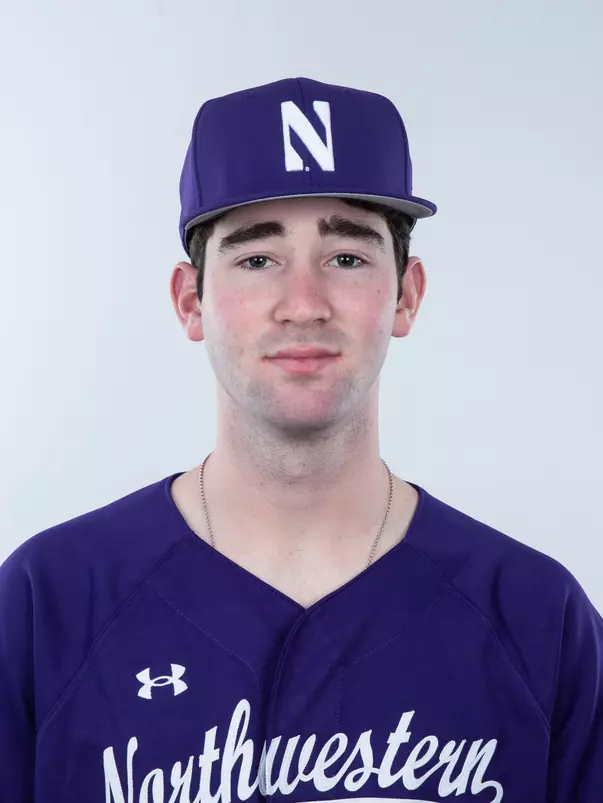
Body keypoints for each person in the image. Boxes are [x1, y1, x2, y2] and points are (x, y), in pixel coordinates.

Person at [1, 76, 601, 803]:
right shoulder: (49, 603)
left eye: (346, 257)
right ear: (190, 301)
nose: (304, 304)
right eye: (256, 259)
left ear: (406, 294)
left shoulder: (536, 616)